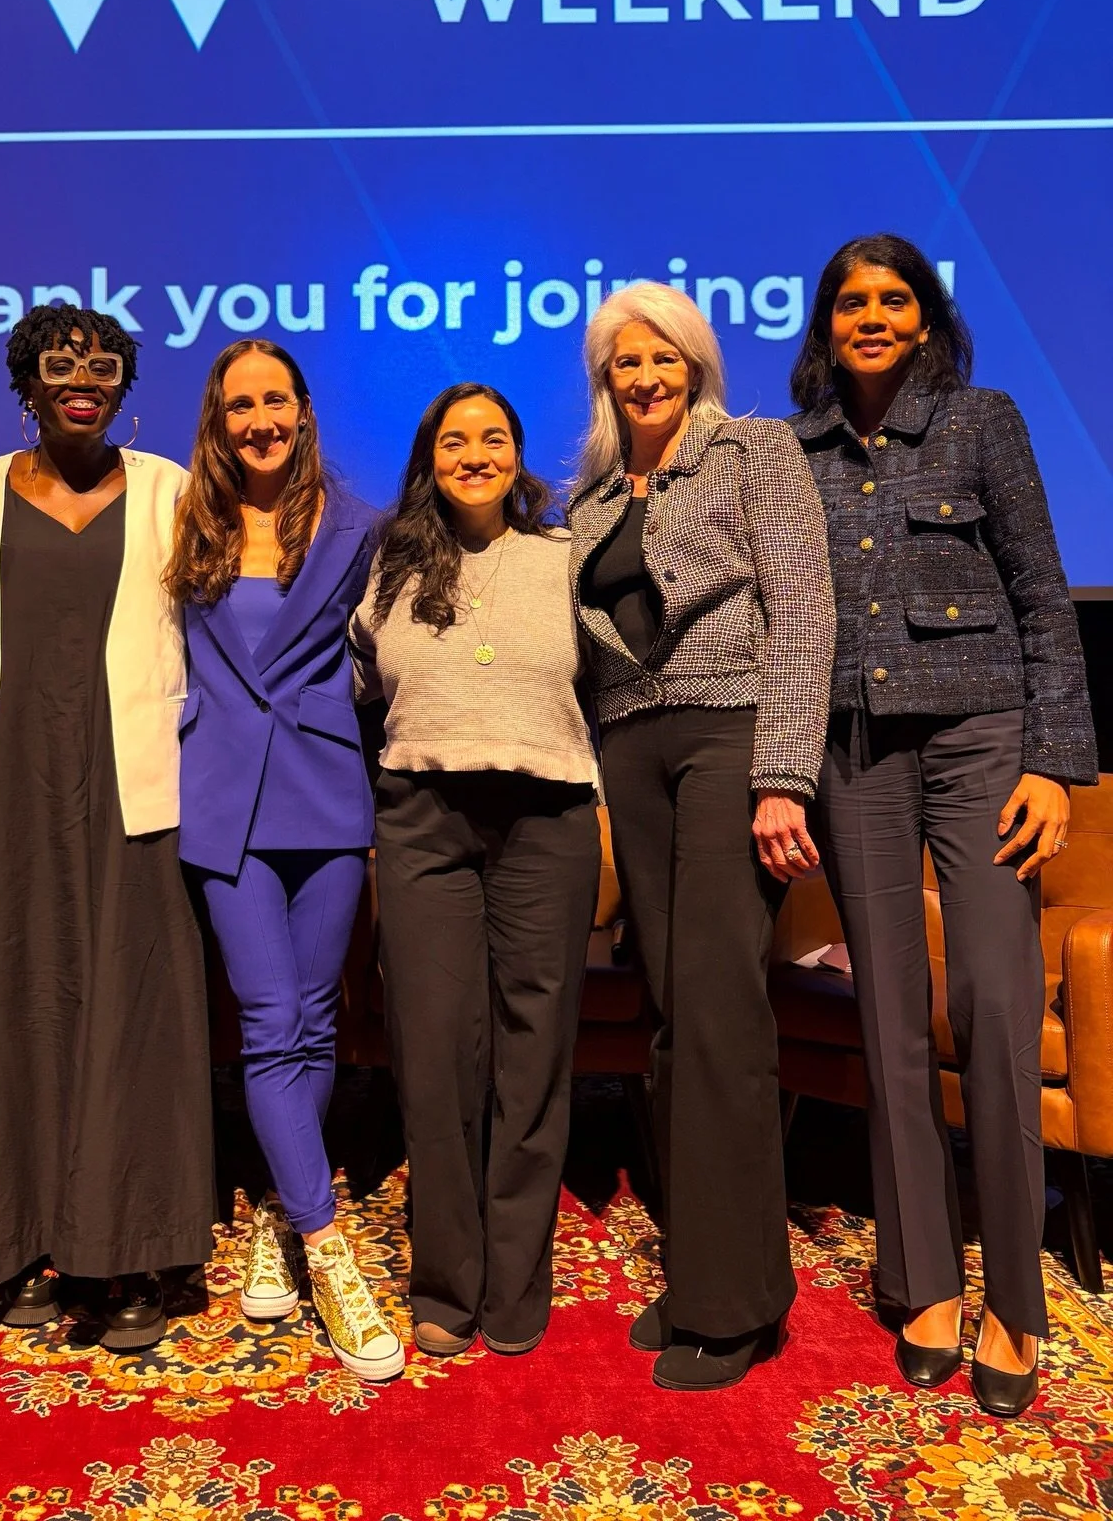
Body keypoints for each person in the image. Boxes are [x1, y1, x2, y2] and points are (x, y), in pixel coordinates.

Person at [790, 235, 1098, 1419]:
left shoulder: (985, 422)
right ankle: (921, 1280)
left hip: (979, 740)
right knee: (889, 1019)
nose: (872, 316)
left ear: (923, 320)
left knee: (993, 1001)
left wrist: (1055, 766)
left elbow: (1041, 593)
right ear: (827, 325)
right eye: (852, 301)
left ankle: (1014, 1296)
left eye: (893, 299)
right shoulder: (795, 451)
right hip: (854, 750)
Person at [569, 282, 835, 1391]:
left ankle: (737, 1306)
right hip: (632, 754)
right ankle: (700, 1274)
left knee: (723, 1011)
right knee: (677, 1010)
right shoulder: (587, 497)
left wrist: (783, 778)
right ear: (604, 379)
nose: (645, 376)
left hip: (730, 742)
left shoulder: (754, 450)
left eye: (663, 357)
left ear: (695, 361)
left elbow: (804, 605)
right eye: (625, 362)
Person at [0, 305, 215, 1351]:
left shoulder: (167, 490)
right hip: (8, 781)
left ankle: (134, 1255)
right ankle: (11, 1247)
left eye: (102, 369)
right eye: (61, 368)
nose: (83, 382)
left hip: (129, 784)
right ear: (28, 383)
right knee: (12, 1001)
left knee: (129, 1011)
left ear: (121, 387)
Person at [350, 383, 601, 1361]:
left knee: (533, 1053)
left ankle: (516, 1279)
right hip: (422, 818)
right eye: (455, 440)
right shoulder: (391, 562)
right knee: (436, 1051)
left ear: (517, 454)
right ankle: (448, 1283)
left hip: (547, 818)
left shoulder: (567, 554)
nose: (475, 453)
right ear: (429, 457)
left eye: (493, 437)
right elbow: (363, 680)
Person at [168, 340, 400, 1382]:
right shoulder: (186, 526)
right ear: (217, 423)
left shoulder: (360, 529)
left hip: (325, 791)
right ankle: (327, 1249)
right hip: (225, 804)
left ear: (303, 412)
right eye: (237, 405)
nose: (258, 419)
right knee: (269, 1023)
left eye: (274, 400)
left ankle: (274, 1206)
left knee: (317, 1024)